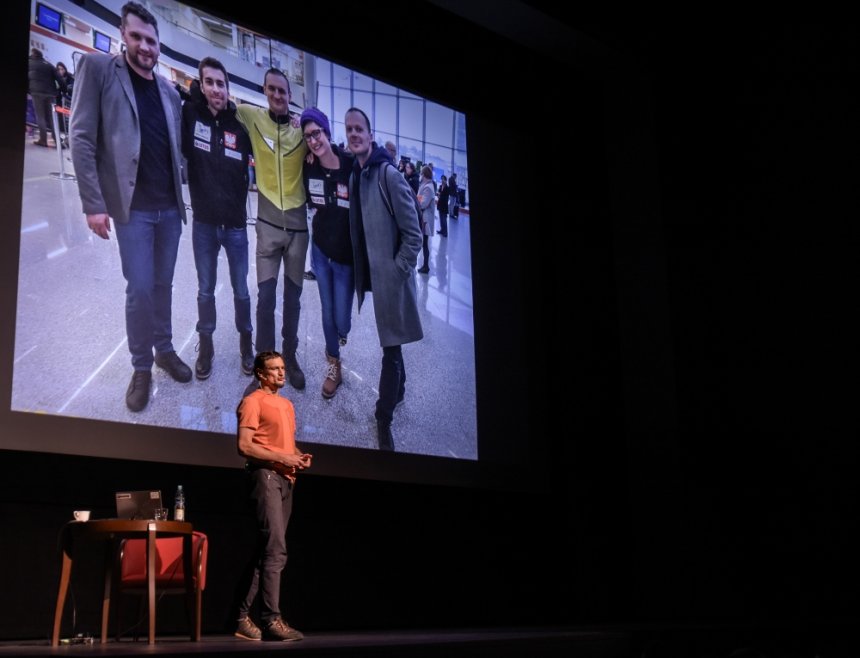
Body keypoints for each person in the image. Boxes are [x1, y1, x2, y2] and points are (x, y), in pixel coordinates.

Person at [70, 2, 191, 412]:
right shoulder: (99, 70)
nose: (145, 46)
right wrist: (93, 203)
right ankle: (141, 367)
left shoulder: (169, 91)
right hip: (132, 210)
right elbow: (81, 137)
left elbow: (175, 148)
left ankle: (164, 349)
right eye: (137, 37)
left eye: (151, 40)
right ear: (123, 35)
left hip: (169, 209)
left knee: (163, 285)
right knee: (139, 289)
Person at [345, 108, 423, 450]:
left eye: (359, 129)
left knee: (389, 349)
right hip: (375, 277)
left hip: (391, 277)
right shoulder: (356, 175)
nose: (354, 134)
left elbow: (414, 234)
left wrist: (397, 270)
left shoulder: (388, 175)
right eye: (349, 129)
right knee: (392, 340)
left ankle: (383, 417)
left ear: (370, 135)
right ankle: (400, 390)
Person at [181, 57, 254, 380]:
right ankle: (206, 345)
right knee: (205, 290)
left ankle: (246, 343)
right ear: (201, 85)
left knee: (241, 290)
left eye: (220, 84)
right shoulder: (190, 115)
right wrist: (192, 96)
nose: (215, 89)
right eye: (209, 82)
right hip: (204, 225)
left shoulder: (240, 126)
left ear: (228, 88)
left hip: (236, 225)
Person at [236, 69, 309, 390]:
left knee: (293, 300)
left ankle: (289, 356)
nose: (278, 95)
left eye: (283, 91)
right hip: (267, 227)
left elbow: (324, 139)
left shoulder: (301, 131)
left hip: (298, 231)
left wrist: (307, 121)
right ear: (264, 90)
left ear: (290, 96)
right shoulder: (251, 117)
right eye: (272, 89)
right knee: (265, 300)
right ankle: (265, 367)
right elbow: (219, 105)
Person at [235, 350, 312, 642]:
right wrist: (283, 457)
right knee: (276, 549)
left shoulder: (287, 405)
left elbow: (284, 445)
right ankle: (271, 620)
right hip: (265, 476)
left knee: (270, 551)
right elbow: (245, 446)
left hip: (286, 480)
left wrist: (297, 456)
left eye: (283, 368)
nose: (281, 373)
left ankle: (241, 617)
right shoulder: (252, 401)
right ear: (260, 373)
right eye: (274, 369)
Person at [300, 107, 354, 399]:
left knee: (342, 320)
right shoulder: (309, 167)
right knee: (327, 311)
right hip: (321, 251)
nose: (313, 140)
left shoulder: (350, 165)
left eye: (316, 133)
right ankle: (334, 364)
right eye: (308, 136)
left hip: (346, 258)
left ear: (327, 132)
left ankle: (340, 335)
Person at [28, 48, 63, 147]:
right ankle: (56, 139)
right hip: (51, 94)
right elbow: (60, 79)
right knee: (52, 117)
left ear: (33, 55)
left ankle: (43, 140)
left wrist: (29, 90)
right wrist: (63, 90)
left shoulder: (30, 64)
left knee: (40, 117)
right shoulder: (49, 65)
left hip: (37, 93)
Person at [417, 165, 436, 274]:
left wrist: (417, 201)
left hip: (425, 220)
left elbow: (423, 204)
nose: (420, 175)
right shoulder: (426, 185)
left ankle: (426, 266)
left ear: (424, 175)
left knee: (425, 244)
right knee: (424, 243)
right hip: (423, 218)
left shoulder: (428, 187)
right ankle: (425, 266)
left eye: (421, 173)